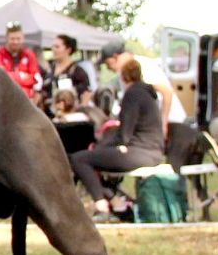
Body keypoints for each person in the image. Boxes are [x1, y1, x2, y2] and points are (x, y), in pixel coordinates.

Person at [70, 59, 165, 222]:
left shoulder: (132, 94)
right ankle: (116, 202)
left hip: (139, 151)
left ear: (123, 77)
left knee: (79, 159)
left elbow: (124, 134)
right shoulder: (147, 94)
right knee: (91, 162)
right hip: (152, 151)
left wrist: (100, 148)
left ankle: (102, 205)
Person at [99, 39, 187, 138]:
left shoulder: (142, 66)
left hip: (171, 121)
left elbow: (166, 92)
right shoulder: (123, 73)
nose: (107, 68)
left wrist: (163, 124)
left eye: (107, 63)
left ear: (115, 57)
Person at [0, 23, 43, 103]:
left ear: (23, 38)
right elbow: (1, 76)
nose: (15, 42)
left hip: (27, 101)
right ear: (7, 38)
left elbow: (37, 79)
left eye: (18, 39)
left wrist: (12, 75)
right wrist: (23, 76)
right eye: (12, 39)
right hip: (5, 99)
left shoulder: (29, 54)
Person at [43, 33, 90, 112]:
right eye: (53, 46)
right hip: (49, 115)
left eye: (57, 47)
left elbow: (86, 93)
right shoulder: (49, 70)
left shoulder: (77, 71)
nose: (54, 49)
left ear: (68, 49)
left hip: (69, 117)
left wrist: (82, 111)